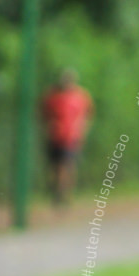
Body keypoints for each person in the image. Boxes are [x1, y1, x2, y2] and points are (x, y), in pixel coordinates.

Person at [41, 68, 93, 207]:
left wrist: (81, 130)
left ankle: (65, 195)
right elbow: (43, 114)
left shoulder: (81, 96)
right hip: (55, 136)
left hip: (71, 137)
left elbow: (87, 116)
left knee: (68, 165)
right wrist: (49, 127)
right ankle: (57, 192)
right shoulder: (53, 96)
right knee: (55, 166)